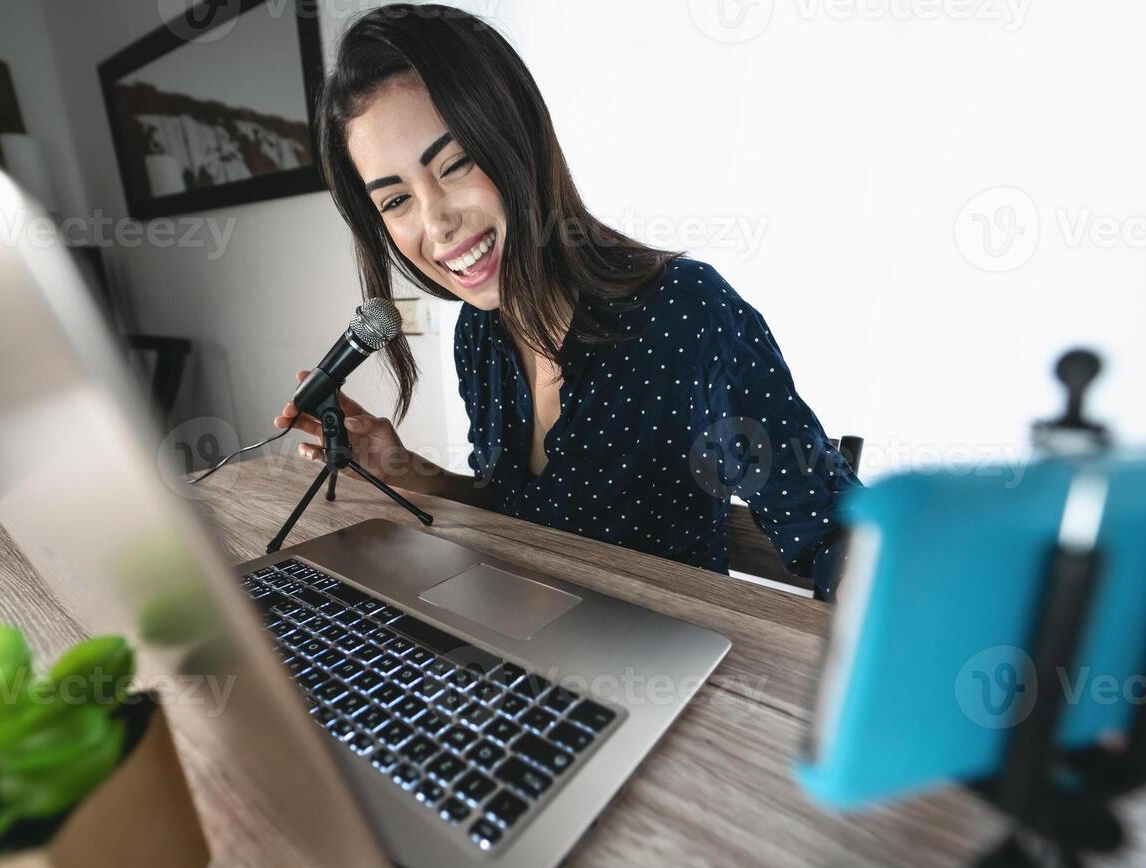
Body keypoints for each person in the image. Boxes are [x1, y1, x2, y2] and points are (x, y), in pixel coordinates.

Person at [273, 4, 858, 599]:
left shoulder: (687, 314)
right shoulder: (481, 332)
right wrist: (404, 470)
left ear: (517, 139)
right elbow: (512, 508)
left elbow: (840, 537)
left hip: (668, 665)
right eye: (395, 201)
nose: (437, 222)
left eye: (454, 164)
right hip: (524, 642)